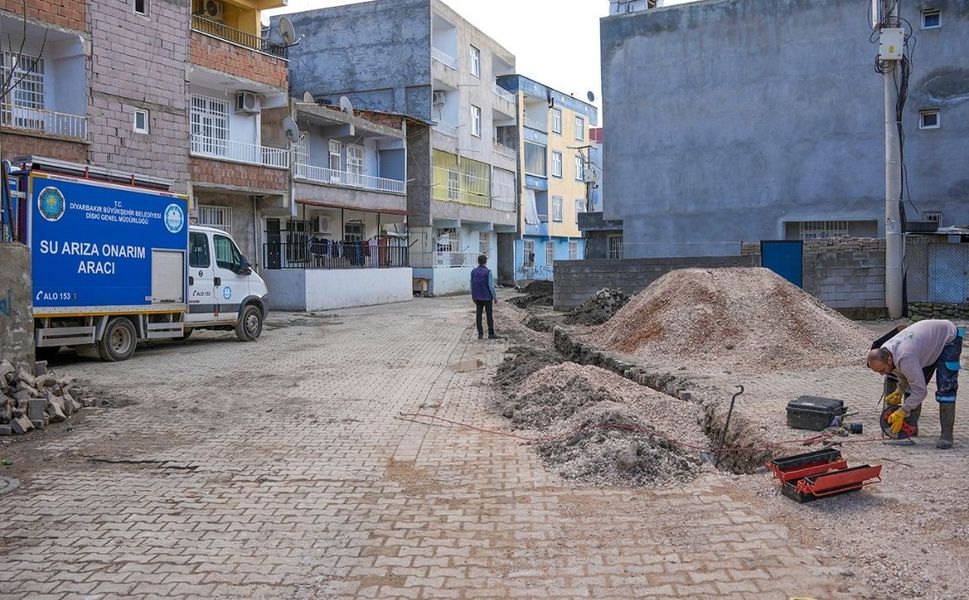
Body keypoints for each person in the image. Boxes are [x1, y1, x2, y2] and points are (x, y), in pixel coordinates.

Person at [866, 319, 964, 449]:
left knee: (946, 388)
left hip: (948, 337)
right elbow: (904, 374)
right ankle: (911, 428)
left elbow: (921, 391)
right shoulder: (886, 351)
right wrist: (899, 390)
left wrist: (902, 410)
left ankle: (947, 436)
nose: (881, 374)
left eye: (882, 370)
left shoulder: (905, 357)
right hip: (928, 344)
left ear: (889, 360)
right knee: (912, 387)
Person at [470, 254, 498, 340]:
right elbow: (491, 286)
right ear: (486, 262)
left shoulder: (473, 271)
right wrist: (495, 297)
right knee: (489, 315)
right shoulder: (488, 272)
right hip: (487, 297)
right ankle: (491, 333)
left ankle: (480, 334)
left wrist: (473, 296)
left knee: (478, 315)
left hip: (477, 297)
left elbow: (472, 285)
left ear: (478, 262)